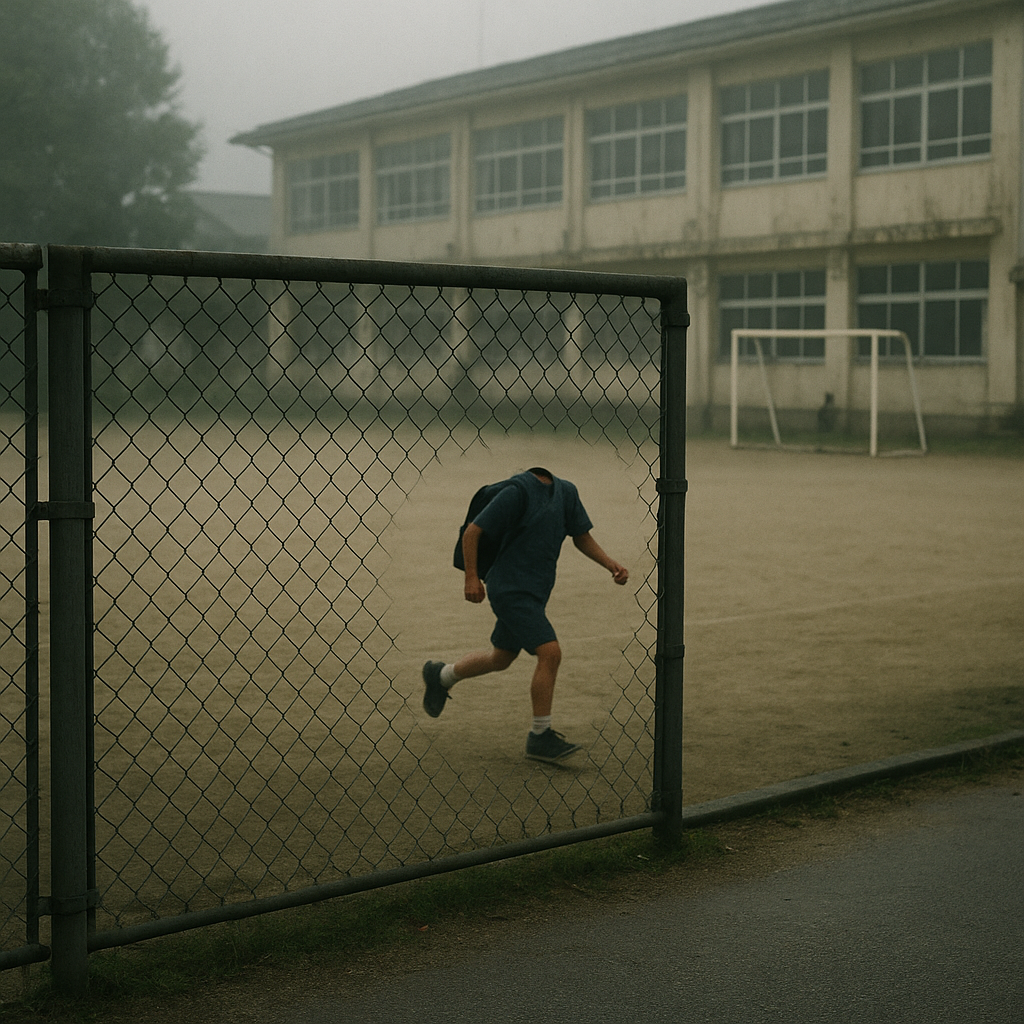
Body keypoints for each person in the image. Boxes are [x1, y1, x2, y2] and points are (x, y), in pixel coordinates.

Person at [422, 466, 629, 764]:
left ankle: (441, 675)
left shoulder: (567, 492)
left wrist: (610, 564)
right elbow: (472, 533)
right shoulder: (515, 493)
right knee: (550, 653)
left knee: (501, 658)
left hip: (535, 590)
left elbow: (581, 536)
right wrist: (471, 578)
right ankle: (539, 737)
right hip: (510, 589)